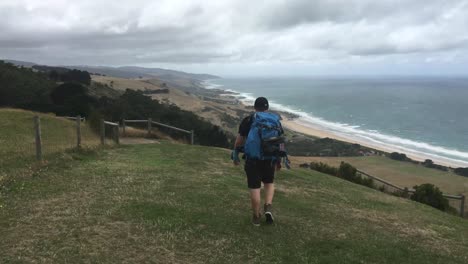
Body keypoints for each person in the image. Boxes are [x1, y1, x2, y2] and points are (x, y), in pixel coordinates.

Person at [232, 97, 284, 226]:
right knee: (269, 183)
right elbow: (280, 141)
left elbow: (239, 140)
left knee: (255, 188)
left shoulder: (249, 120)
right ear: (267, 108)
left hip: (253, 159)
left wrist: (235, 154)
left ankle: (256, 217)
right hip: (270, 158)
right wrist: (279, 160)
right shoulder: (275, 121)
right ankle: (268, 206)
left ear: (255, 107)